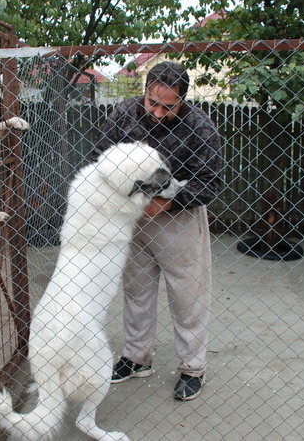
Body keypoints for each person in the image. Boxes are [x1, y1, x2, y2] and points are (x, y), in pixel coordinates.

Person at [89, 61, 224, 401]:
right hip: (132, 217)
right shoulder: (124, 113)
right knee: (136, 290)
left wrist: (167, 203)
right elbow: (97, 158)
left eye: (169, 106)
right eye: (153, 102)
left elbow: (212, 181)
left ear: (183, 101)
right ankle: (137, 357)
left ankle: (193, 367)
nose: (159, 112)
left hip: (177, 218)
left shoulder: (199, 126)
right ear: (145, 91)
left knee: (187, 295)